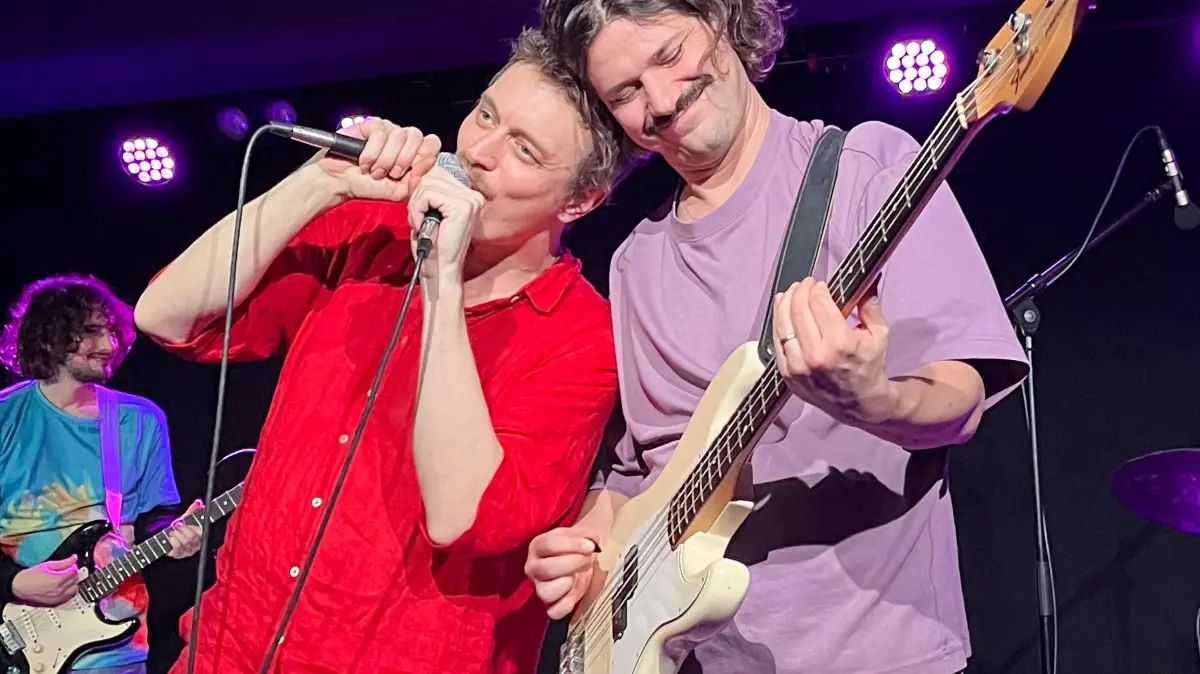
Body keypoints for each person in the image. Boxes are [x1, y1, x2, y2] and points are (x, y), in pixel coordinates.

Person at [525, 1, 1031, 672]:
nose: (662, 101)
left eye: (669, 56)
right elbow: (630, 475)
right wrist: (589, 544)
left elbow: (960, 402)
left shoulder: (867, 169)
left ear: (720, 18)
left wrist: (872, 400)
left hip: (878, 656)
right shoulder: (633, 264)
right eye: (625, 93)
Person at [133, 27, 635, 674]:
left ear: (580, 199)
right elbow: (165, 316)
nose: (478, 152)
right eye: (486, 115)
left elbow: (462, 517)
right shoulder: (372, 233)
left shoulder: (582, 339)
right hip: (230, 649)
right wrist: (320, 184)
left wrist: (442, 281)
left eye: (524, 150)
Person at [0, 274, 203, 674]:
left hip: (114, 650)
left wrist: (175, 535)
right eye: (91, 331)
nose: (109, 345)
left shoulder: (140, 420)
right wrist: (12, 582)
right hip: (14, 638)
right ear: (49, 336)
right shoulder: (6, 417)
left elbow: (149, 518)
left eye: (112, 331)